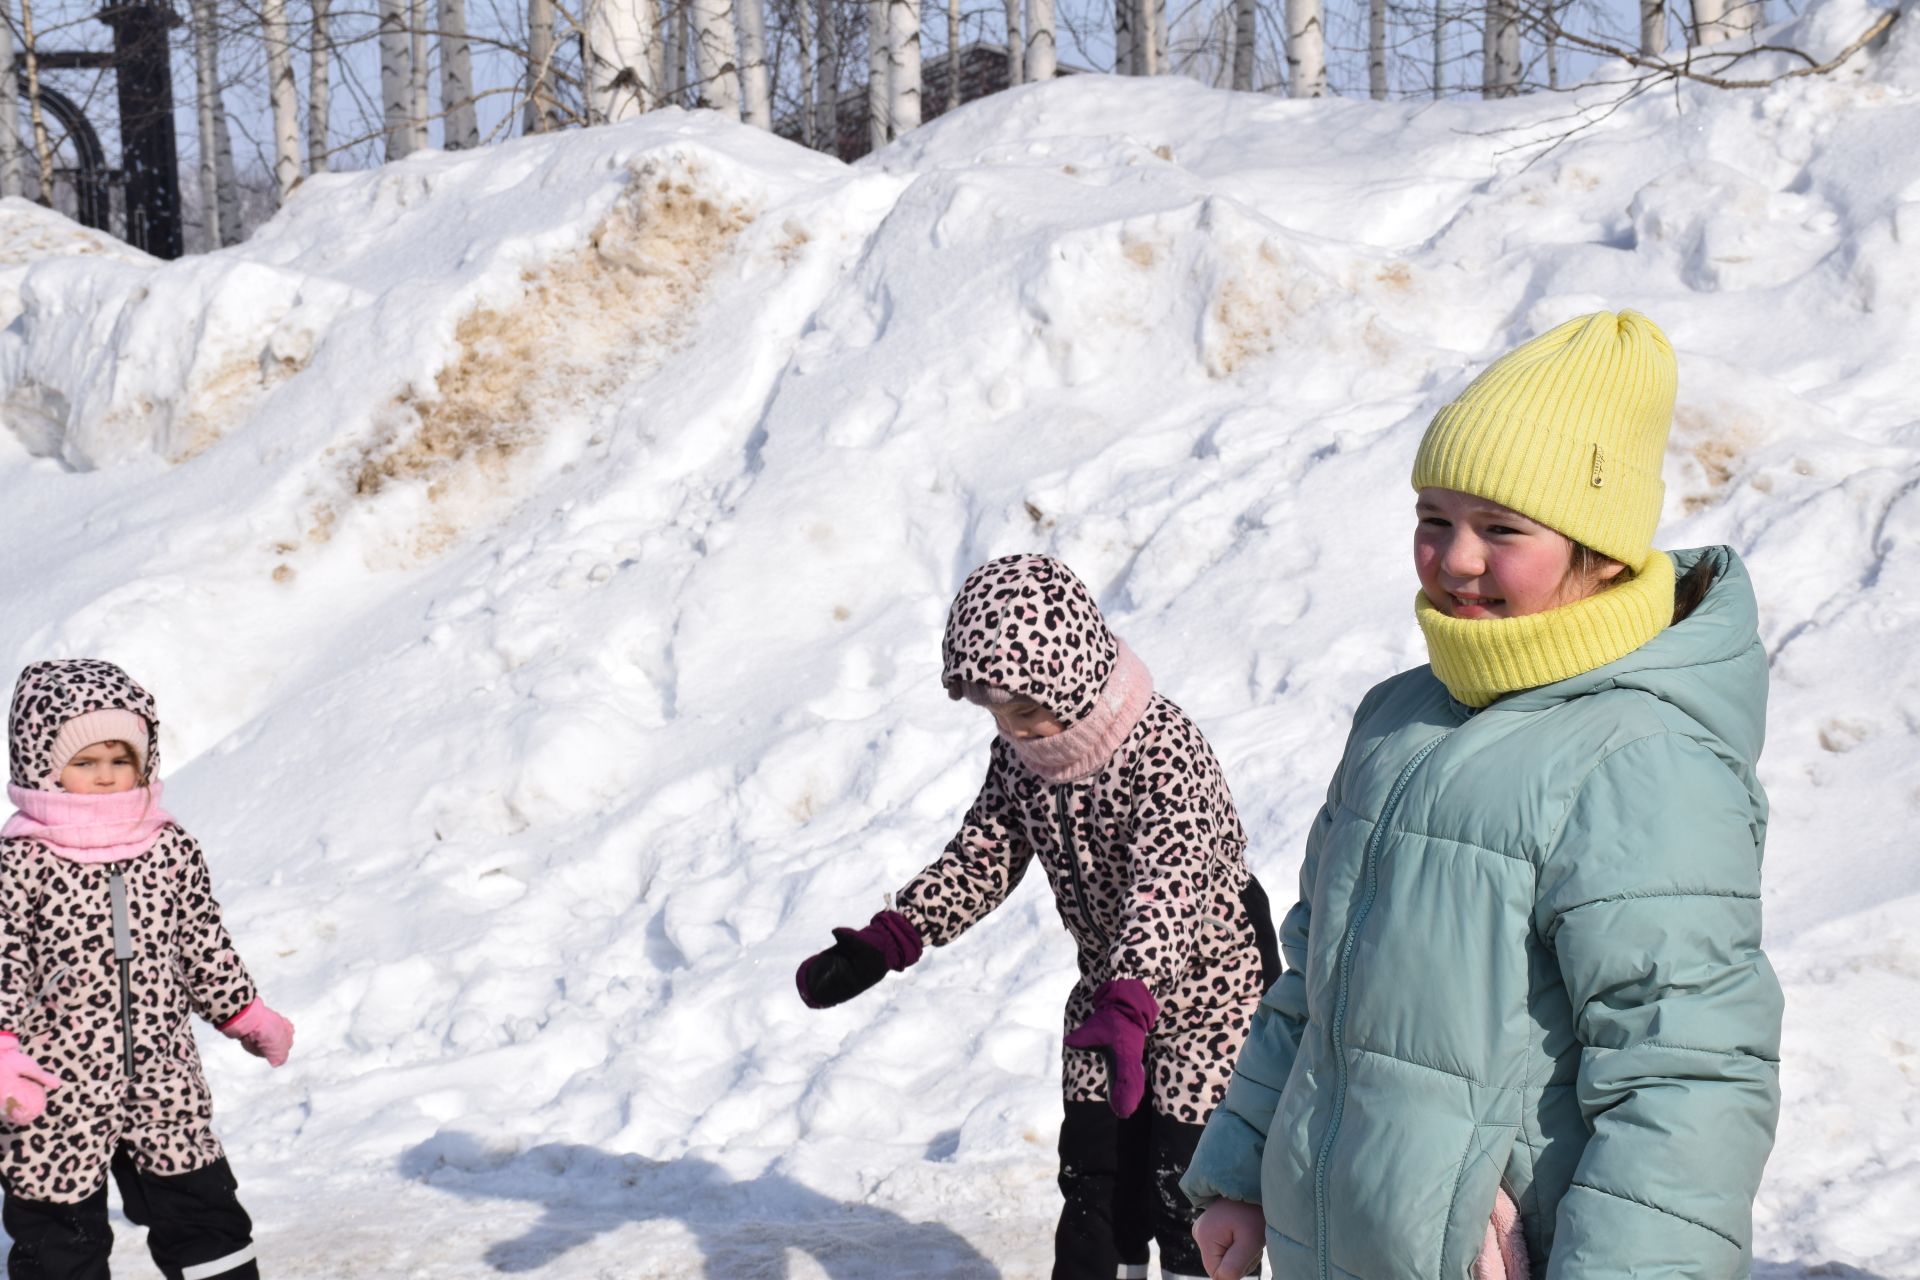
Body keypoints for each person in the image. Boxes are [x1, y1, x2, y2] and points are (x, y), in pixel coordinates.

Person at [1182, 310, 1783, 1280]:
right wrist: (1246, 1175)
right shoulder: (1399, 717)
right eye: (1435, 519)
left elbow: (1685, 1075)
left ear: (1602, 549)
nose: (1456, 558)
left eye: (1501, 529)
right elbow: (1312, 984)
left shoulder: (1640, 756)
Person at [796, 554, 1279, 1280]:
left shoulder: (1166, 751)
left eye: (1022, 709)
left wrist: (1132, 995)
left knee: (1188, 1195)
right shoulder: (1024, 757)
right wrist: (888, 939)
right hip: (1106, 1000)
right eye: (995, 714)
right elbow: (982, 852)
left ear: (1073, 677)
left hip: (1212, 998)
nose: (1013, 730)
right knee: (1094, 1183)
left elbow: (1167, 887)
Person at [0, 659, 294, 1280]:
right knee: (59, 1237)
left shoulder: (169, 845)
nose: (106, 777)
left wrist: (245, 1012)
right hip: (54, 1087)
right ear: (41, 763)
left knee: (205, 1213)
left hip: (164, 1075)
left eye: (120, 760)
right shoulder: (21, 860)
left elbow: (202, 940)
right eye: (84, 763)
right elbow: (4, 962)